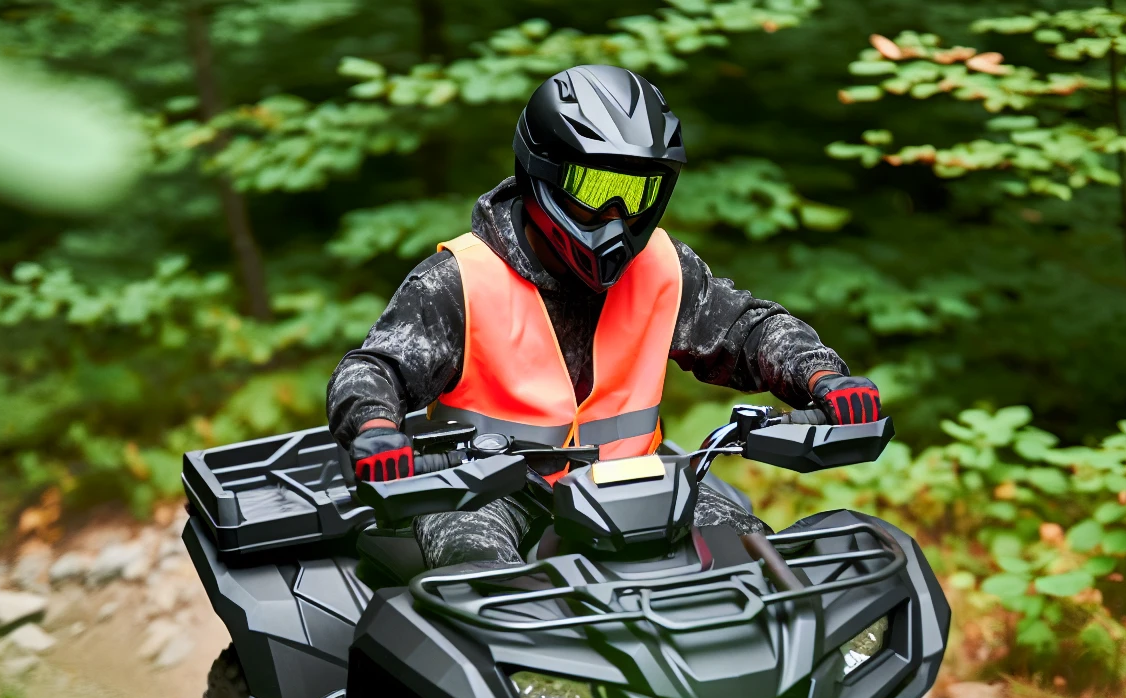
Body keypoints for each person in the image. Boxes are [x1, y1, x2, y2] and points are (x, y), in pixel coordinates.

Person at [325, 64, 880, 569]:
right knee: (479, 581)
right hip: (487, 493)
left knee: (756, 561)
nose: (617, 218)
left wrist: (821, 376)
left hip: (635, 483)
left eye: (635, 194)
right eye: (596, 191)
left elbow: (747, 330)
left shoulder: (662, 265)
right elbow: (372, 370)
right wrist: (376, 430)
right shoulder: (460, 280)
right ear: (541, 175)